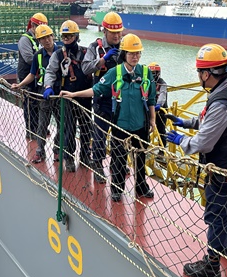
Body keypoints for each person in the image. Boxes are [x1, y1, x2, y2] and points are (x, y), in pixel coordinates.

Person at [166, 43, 227, 277]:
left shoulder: (221, 103)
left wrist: (181, 139)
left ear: (206, 74)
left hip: (223, 168)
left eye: (199, 73)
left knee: (216, 214)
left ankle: (212, 265)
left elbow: (204, 143)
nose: (199, 78)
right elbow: (213, 123)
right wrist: (187, 122)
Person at [60, 33, 156, 202]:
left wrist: (153, 120)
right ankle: (117, 189)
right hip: (120, 125)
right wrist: (73, 94)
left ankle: (141, 187)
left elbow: (151, 100)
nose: (135, 57)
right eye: (131, 53)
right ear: (124, 54)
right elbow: (96, 90)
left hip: (140, 126)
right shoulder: (114, 73)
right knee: (119, 160)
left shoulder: (146, 73)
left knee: (140, 159)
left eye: (138, 53)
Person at [42, 20, 93, 172]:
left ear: (76, 36)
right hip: (67, 97)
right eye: (64, 36)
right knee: (69, 129)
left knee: (86, 128)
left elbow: (94, 67)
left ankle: (85, 156)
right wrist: (48, 86)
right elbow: (50, 71)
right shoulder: (58, 55)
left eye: (69, 36)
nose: (66, 39)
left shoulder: (86, 53)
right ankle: (69, 157)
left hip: (84, 96)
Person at [81, 11, 123, 183]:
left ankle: (117, 164)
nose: (117, 36)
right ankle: (97, 163)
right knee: (99, 135)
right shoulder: (95, 48)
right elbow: (85, 69)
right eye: (113, 33)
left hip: (121, 100)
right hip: (102, 99)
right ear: (104, 31)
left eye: (119, 32)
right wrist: (102, 60)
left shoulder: (125, 47)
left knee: (119, 137)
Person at [11, 24, 59, 163]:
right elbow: (32, 74)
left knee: (62, 124)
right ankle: (40, 150)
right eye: (42, 38)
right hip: (43, 94)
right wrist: (20, 85)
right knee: (42, 124)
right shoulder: (38, 55)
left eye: (48, 37)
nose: (46, 40)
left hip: (58, 94)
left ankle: (57, 149)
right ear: (39, 40)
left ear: (52, 36)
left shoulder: (62, 52)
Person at [17, 12, 48, 140]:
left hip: (37, 77)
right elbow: (29, 59)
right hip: (27, 77)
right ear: (33, 26)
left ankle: (40, 128)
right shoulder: (25, 40)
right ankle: (31, 130)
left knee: (39, 104)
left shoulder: (38, 39)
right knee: (29, 105)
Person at [148, 62, 168, 147]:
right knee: (147, 129)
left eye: (154, 73)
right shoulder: (147, 82)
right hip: (150, 109)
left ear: (158, 73)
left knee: (161, 131)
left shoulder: (162, 83)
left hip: (161, 111)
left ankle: (162, 151)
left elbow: (162, 95)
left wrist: (159, 104)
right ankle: (145, 146)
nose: (152, 75)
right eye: (150, 73)